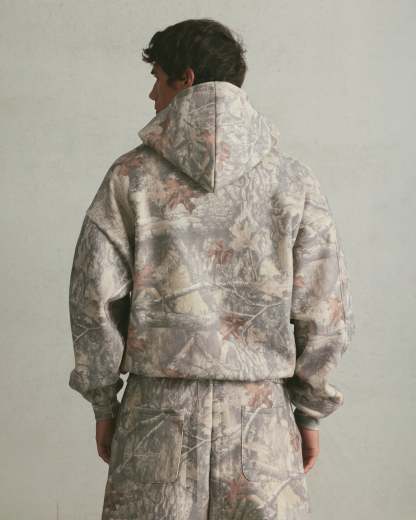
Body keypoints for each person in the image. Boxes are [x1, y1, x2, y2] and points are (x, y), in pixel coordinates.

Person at [68, 18, 355, 520]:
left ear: (187, 79)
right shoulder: (293, 182)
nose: (152, 94)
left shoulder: (130, 177)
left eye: (157, 78)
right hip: (260, 422)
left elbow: (93, 298)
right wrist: (310, 410)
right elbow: (324, 309)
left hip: (157, 418)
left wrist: (103, 401)